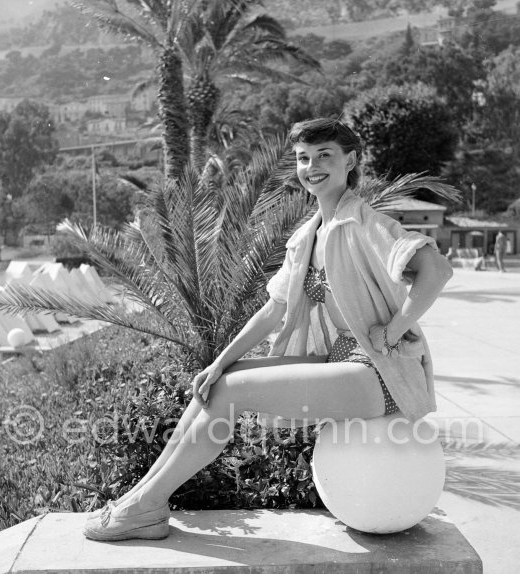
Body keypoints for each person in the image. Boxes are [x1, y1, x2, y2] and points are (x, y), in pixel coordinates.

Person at [83, 118, 454, 541]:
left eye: (324, 156)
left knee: (231, 393)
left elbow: (435, 270)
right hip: (344, 361)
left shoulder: (365, 223)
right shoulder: (307, 235)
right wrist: (219, 361)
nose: (311, 166)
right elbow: (272, 311)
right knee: (222, 380)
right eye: (303, 158)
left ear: (350, 161)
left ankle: (146, 508)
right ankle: (143, 497)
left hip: (379, 374)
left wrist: (393, 331)